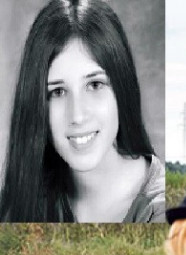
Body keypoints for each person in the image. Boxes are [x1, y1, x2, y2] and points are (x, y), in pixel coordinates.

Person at [0, 0, 164, 223]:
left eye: (95, 85)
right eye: (57, 91)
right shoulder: (18, 204)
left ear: (122, 88)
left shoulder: (164, 212)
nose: (77, 115)